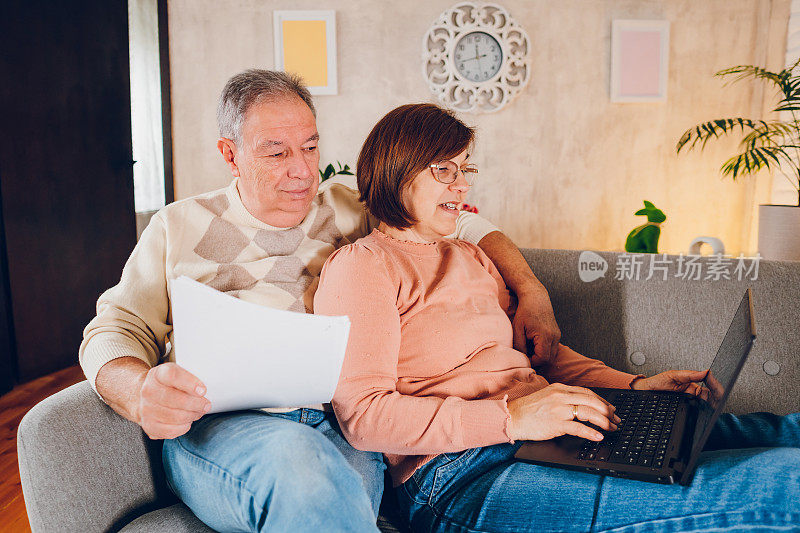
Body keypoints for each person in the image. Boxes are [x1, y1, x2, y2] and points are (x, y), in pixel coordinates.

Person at [78, 71, 563, 532]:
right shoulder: (177, 226)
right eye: (276, 153)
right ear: (231, 155)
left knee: (331, 488)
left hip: (340, 424)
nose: (301, 170)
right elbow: (114, 329)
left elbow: (464, 224)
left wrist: (531, 290)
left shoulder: (349, 206)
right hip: (226, 426)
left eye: (311, 147)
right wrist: (139, 392)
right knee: (301, 467)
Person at [314, 103, 800, 532]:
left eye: (467, 168)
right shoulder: (363, 266)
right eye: (445, 170)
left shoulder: (472, 256)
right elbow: (365, 417)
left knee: (782, 434)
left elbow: (542, 357)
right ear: (395, 170)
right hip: (461, 475)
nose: (463, 185)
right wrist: (511, 418)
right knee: (783, 484)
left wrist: (634, 387)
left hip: (551, 429)